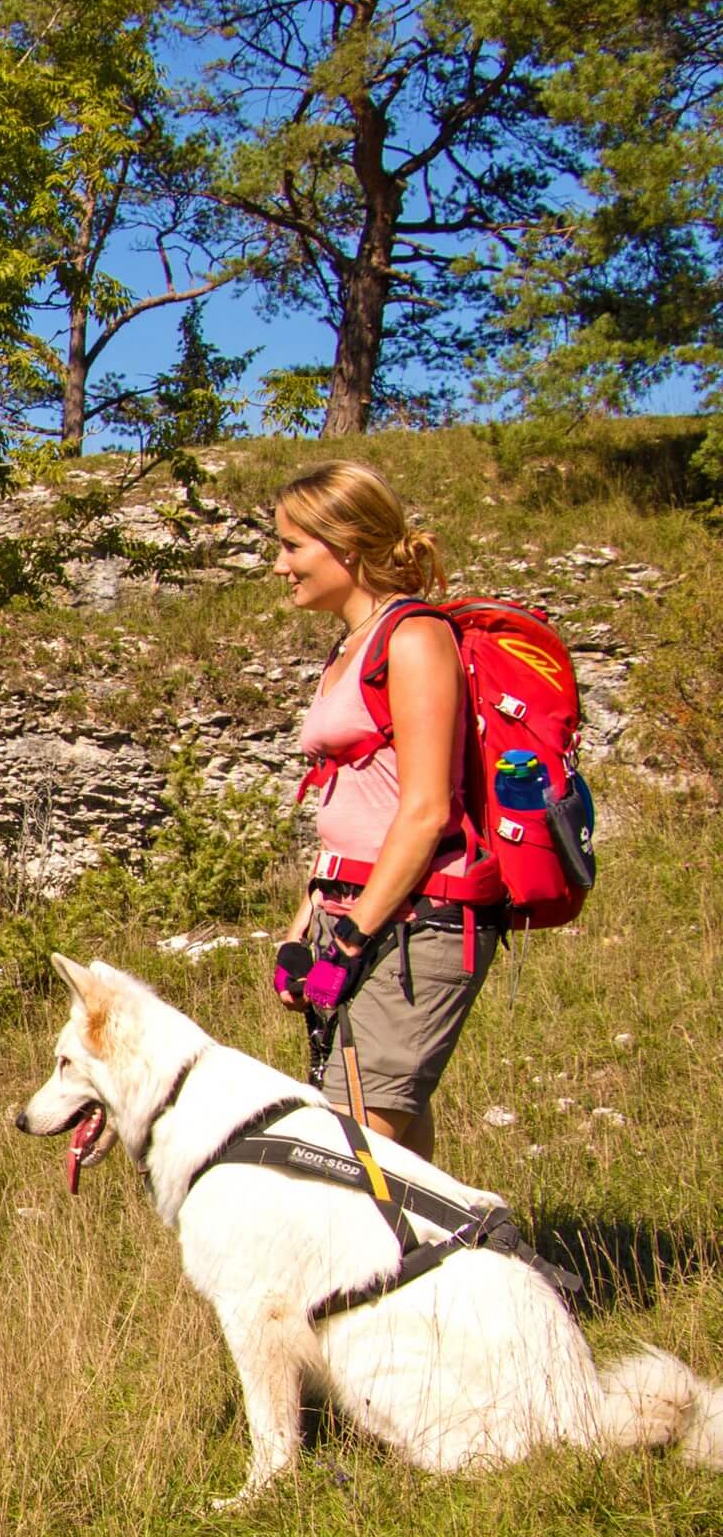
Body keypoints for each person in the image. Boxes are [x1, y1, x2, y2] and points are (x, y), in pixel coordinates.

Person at [268, 460, 500, 1158]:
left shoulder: (414, 637)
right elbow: (356, 793)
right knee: (389, 1134)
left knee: (357, 1145)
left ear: (345, 543)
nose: (281, 567)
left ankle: (427, 1261)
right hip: (358, 910)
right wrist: (306, 920)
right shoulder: (349, 648)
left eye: (291, 546)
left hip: (415, 921)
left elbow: (427, 810)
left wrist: (353, 937)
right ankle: (433, 1258)